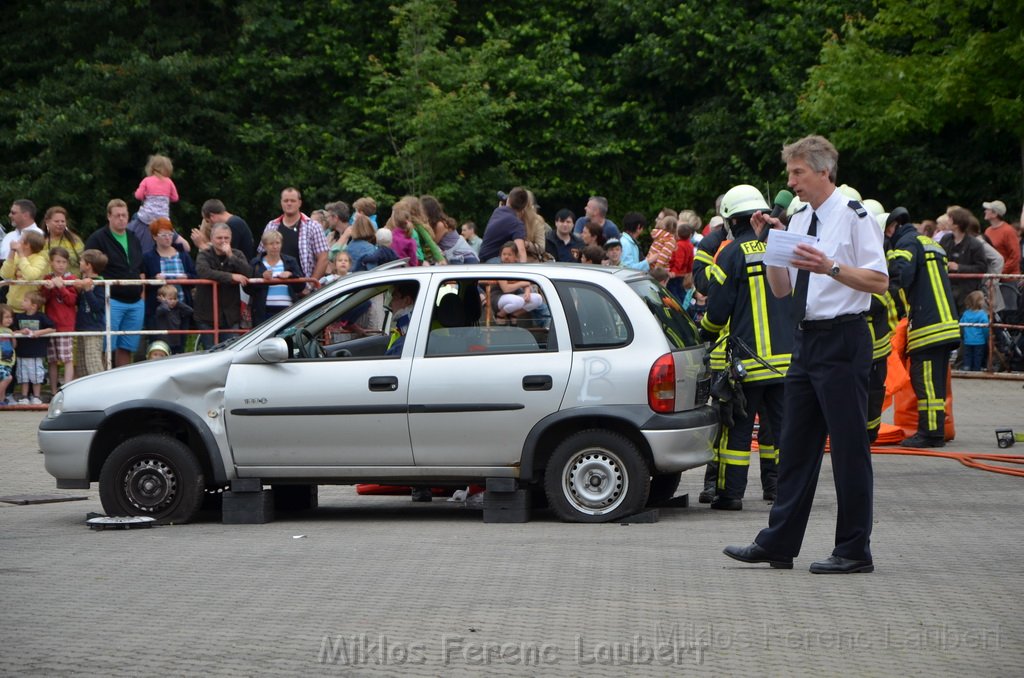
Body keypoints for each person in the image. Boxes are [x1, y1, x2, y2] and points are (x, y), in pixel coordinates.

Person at [724, 135, 888, 574]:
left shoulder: (854, 217)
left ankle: (854, 550)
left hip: (844, 338)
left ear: (822, 171)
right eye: (790, 173)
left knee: (850, 449)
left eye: (797, 172)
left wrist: (830, 267)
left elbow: (878, 281)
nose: (791, 182)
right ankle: (778, 543)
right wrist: (771, 246)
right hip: (807, 340)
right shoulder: (797, 220)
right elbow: (782, 289)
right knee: (795, 446)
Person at [699, 185, 792, 510]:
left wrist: (704, 333)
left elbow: (718, 312)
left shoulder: (732, 253)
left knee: (737, 432)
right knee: (780, 432)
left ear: (729, 220)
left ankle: (731, 495)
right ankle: (780, 490)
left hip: (748, 363)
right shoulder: (781, 247)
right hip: (786, 363)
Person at [885, 207, 960, 447]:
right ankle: (936, 430)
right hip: (945, 322)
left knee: (924, 381)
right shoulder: (929, 242)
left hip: (928, 325)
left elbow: (901, 275)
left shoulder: (906, 243)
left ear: (891, 227)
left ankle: (929, 434)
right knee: (935, 381)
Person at [84, 199, 146, 367]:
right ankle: (104, 379)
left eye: (124, 215)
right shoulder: (98, 238)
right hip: (111, 299)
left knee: (127, 346)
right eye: (117, 215)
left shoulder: (133, 237)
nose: (121, 219)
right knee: (106, 345)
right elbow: (88, 265)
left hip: (135, 300)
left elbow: (140, 266)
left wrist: (142, 294)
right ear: (109, 217)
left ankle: (122, 379)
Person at [259, 187, 328, 292]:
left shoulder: (313, 226)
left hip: (302, 291)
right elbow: (260, 256)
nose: (289, 203)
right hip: (273, 290)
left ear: (299, 203)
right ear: (281, 203)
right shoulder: (271, 226)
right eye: (286, 201)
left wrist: (309, 286)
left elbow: (323, 259)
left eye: (293, 201)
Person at [194, 223, 252, 349]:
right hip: (207, 315)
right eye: (219, 238)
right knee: (209, 354)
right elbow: (203, 272)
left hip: (231, 315)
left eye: (226, 238)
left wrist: (231, 256)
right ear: (211, 239)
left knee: (231, 352)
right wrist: (231, 277)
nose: (223, 241)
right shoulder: (204, 254)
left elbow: (248, 273)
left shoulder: (238, 254)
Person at [142, 218, 198, 330]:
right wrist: (154, 279)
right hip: (158, 310)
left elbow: (195, 277)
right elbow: (144, 283)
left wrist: (187, 277)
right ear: (154, 237)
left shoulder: (183, 255)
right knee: (158, 344)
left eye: (170, 234)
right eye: (163, 235)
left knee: (180, 344)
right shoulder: (147, 257)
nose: (168, 237)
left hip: (181, 308)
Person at [129, 155, 182, 254]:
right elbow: (175, 198)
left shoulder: (147, 180)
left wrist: (144, 194)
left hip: (146, 216)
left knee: (136, 216)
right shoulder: (169, 182)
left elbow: (138, 196)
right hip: (162, 218)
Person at [42, 247, 78, 388]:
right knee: (52, 360)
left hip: (66, 324)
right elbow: (43, 299)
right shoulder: (46, 279)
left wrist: (61, 287)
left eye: (64, 261)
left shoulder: (72, 279)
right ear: (51, 262)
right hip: (50, 325)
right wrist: (48, 288)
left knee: (67, 359)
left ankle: (67, 389)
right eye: (58, 261)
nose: (61, 265)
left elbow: (71, 301)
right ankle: (53, 391)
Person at [943, 207, 988, 313]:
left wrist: (959, 267)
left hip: (966, 292)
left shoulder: (975, 244)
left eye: (950, 219)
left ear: (956, 224)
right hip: (947, 288)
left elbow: (982, 267)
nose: (947, 221)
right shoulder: (945, 240)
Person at [13, 291, 55, 404]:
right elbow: (14, 331)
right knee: (23, 376)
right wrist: (22, 331)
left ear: (34, 305)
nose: (22, 302)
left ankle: (36, 396)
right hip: (22, 352)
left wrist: (38, 332)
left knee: (37, 376)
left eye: (25, 300)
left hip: (36, 353)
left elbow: (52, 328)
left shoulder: (42, 317)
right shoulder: (19, 317)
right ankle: (24, 396)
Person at [71, 250, 108, 376]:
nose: (79, 263)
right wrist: (78, 291)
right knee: (82, 364)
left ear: (88, 265)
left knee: (93, 363)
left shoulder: (100, 283)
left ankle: (101, 390)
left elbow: (97, 307)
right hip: (82, 326)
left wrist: (87, 290)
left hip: (94, 327)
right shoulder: (83, 281)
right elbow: (79, 304)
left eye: (81, 261)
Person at [495, 242, 544, 323]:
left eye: (509, 255)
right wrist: (522, 284)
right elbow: (506, 289)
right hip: (499, 297)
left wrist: (527, 292)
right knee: (518, 301)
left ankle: (514, 314)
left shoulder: (517, 268)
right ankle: (500, 314)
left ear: (516, 257)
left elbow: (526, 282)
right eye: (504, 254)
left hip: (514, 298)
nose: (506, 257)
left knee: (538, 298)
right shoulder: (500, 268)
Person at [1, 230, 49, 313]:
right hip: (12, 307)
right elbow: (5, 275)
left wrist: (21, 255)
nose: (17, 241)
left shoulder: (40, 260)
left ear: (27, 245)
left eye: (20, 239)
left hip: (31, 310)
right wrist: (12, 253)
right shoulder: (16, 256)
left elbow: (30, 276)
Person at [479, 187, 529, 263]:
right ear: (523, 207)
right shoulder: (516, 223)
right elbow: (521, 250)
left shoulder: (497, 211)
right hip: (494, 260)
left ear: (508, 200)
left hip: (484, 259)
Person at [41, 206, 85, 275]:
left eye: (62, 221)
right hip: (48, 283)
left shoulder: (75, 240)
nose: (60, 224)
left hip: (73, 283)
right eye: (56, 221)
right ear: (47, 222)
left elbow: (84, 261)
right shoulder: (41, 241)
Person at [981, 200, 1020, 276]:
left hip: (1008, 278)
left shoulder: (1008, 231)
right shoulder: (987, 231)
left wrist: (999, 271)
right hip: (993, 276)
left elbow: (1015, 256)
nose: (985, 211)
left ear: (995, 214)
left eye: (988, 210)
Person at [1, 199, 43, 265]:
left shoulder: (40, 235)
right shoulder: (8, 236)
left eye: (13, 213)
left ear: (25, 215)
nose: (9, 215)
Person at [153, 285, 193, 354]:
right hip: (164, 342)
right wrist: (164, 302)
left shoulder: (177, 309)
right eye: (170, 299)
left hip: (176, 341)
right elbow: (165, 309)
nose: (173, 301)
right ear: (162, 298)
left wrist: (178, 303)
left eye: (175, 299)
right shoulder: (160, 309)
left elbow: (190, 311)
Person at [385, 281, 418, 356]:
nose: (390, 304)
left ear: (407, 300)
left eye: (394, 298)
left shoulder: (409, 335)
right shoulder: (404, 330)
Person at [959, 290, 989, 372]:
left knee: (967, 355)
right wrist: (986, 337)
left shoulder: (965, 314)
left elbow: (961, 325)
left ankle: (967, 368)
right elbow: (985, 328)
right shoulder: (982, 314)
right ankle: (976, 369)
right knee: (978, 356)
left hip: (968, 340)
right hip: (979, 341)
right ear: (979, 302)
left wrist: (963, 336)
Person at [0, 304, 17, 404]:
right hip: (0, 361)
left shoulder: (9, 331)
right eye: (6, 317)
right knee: (7, 378)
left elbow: (14, 345)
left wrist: (13, 337)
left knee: (3, 381)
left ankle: (1, 401)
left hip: (8, 361)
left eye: (11, 317)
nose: (9, 320)